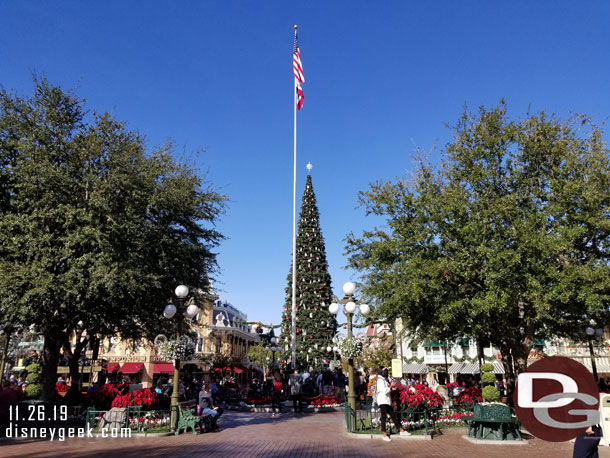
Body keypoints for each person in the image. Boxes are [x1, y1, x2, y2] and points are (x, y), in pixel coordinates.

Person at [376, 367, 410, 441]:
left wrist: (392, 387)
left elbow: (387, 389)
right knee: (384, 418)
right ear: (381, 372)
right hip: (383, 401)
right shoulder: (380, 381)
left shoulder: (383, 380)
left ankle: (401, 430)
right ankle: (384, 435)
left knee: (393, 416)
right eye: (385, 371)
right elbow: (384, 391)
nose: (386, 373)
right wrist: (391, 386)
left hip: (387, 401)